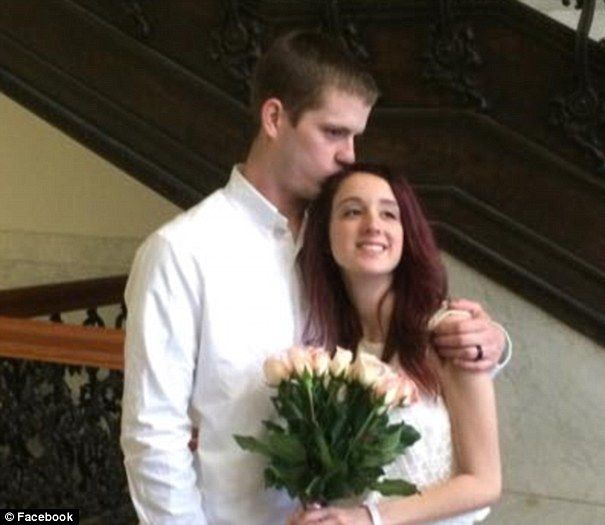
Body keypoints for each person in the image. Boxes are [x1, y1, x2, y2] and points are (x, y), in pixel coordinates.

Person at [121, 30, 508, 525]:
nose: (349, 154)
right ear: (274, 118)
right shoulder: (182, 251)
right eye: (334, 132)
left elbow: (399, 335)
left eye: (355, 136)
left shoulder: (339, 242)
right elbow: (153, 435)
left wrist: (489, 342)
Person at [289, 164, 501, 525]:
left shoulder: (447, 332)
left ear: (406, 234)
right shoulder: (329, 351)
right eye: (352, 212)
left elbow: (484, 482)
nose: (373, 225)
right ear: (325, 235)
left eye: (389, 214)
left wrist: (369, 518)